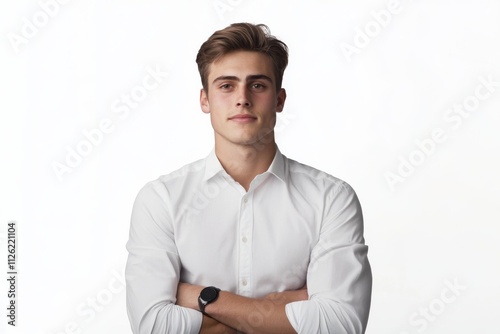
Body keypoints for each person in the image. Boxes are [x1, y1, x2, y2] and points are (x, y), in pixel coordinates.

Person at [125, 22, 372, 334]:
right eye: (226, 86)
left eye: (257, 85)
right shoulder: (161, 200)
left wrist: (200, 297)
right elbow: (153, 327)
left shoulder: (331, 198)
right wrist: (285, 309)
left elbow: (340, 325)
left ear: (279, 99)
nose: (242, 98)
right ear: (205, 100)